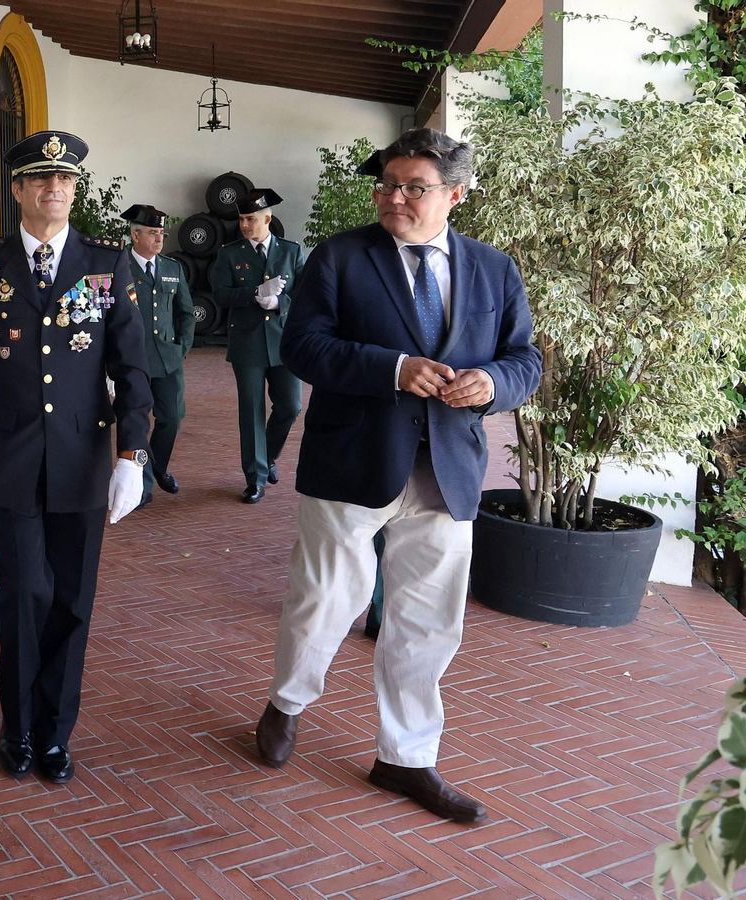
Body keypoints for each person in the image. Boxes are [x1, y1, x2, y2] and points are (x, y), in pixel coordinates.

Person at [255, 128, 541, 824]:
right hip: (354, 461)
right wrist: (392, 369)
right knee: (325, 599)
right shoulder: (339, 257)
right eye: (387, 184)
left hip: (447, 470)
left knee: (429, 619)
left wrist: (492, 384)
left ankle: (406, 757)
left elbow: (524, 359)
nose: (394, 197)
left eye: (415, 187)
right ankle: (288, 701)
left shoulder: (493, 269)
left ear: (456, 195)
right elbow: (302, 347)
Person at [0, 130, 152, 785]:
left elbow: (131, 367)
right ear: (18, 189)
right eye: (41, 178)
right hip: (9, 457)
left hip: (82, 459)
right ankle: (17, 725)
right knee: (24, 592)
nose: (55, 188)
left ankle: (55, 734)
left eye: (65, 179)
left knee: (72, 601)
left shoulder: (104, 263)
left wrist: (132, 453)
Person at [212, 189, 303, 504]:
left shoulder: (291, 252)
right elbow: (220, 293)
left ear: (268, 219)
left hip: (283, 342)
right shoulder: (229, 254)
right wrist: (255, 292)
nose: (244, 225)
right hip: (247, 343)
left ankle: (269, 456)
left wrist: (280, 302)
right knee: (251, 412)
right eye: (241, 219)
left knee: (291, 407)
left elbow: (307, 294)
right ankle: (255, 479)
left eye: (250, 219)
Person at [120, 204, 194, 505]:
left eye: (162, 233)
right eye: (153, 233)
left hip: (168, 358)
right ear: (135, 235)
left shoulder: (172, 268)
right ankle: (143, 486)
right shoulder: (119, 267)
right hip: (132, 359)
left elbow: (186, 313)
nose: (159, 238)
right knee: (137, 422)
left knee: (172, 418)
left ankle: (157, 467)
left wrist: (182, 347)